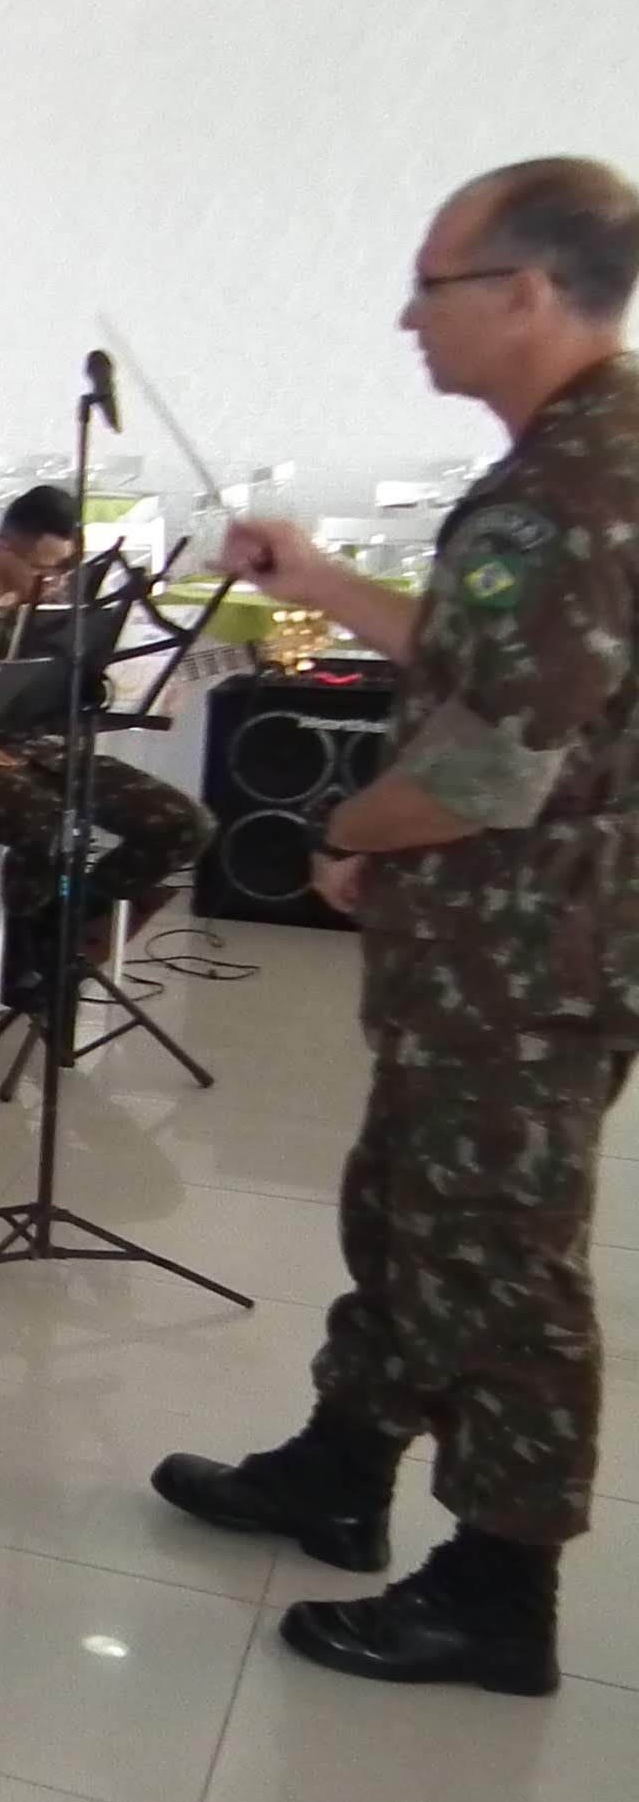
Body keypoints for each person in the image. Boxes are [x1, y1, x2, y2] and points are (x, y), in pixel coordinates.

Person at [154, 156, 639, 1697]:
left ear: (531, 293)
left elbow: (497, 763)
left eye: (433, 283)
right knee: (408, 1210)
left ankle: (499, 1589)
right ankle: (343, 1467)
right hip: (515, 942)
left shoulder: (569, 489)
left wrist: (351, 833)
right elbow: (491, 659)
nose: (406, 315)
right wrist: (320, 581)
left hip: (525, 955)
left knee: (498, 1255)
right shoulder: (583, 462)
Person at [0, 483, 214, 997]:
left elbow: (89, 690)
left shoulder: (67, 608)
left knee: (185, 824)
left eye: (65, 569)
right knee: (51, 828)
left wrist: (150, 693)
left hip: (39, 745)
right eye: (43, 569)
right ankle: (23, 956)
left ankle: (58, 926)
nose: (55, 582)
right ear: (3, 548)